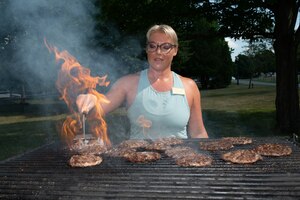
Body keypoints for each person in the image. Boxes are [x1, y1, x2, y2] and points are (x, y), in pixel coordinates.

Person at [76, 24, 208, 139]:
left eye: (165, 47)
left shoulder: (189, 86)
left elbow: (198, 132)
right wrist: (91, 101)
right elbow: (100, 107)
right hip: (139, 162)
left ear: (175, 50)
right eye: (152, 46)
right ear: (147, 49)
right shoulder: (127, 83)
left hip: (179, 163)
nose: (158, 52)